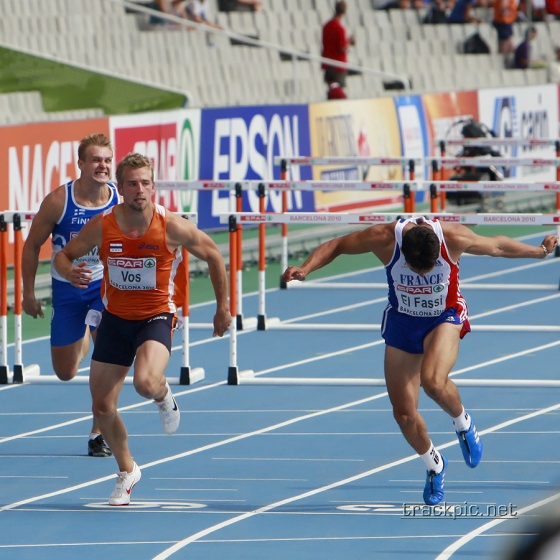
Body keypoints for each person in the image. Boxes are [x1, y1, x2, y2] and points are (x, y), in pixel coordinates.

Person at [281, 216, 559, 506]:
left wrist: (539, 251)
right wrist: (306, 268)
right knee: (403, 413)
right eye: (417, 269)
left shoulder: (453, 237)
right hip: (403, 322)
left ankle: (463, 423)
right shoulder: (384, 237)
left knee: (433, 382)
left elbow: (498, 246)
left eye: (429, 269)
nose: (424, 275)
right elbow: (337, 245)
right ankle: (434, 464)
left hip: (444, 317)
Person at [53, 152, 231, 506]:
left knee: (145, 382)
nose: (140, 190)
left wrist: (223, 307)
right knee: (102, 407)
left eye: (146, 183)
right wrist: (67, 270)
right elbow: (63, 254)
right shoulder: (104, 225)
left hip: (156, 316)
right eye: (132, 184)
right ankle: (127, 470)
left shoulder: (171, 226)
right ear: (120, 188)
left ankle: (163, 395)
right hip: (115, 317)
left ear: (154, 186)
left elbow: (213, 254)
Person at [22, 133, 119, 458]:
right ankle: (80, 341)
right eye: (95, 160)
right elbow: (32, 246)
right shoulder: (58, 201)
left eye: (107, 160)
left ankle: (98, 432)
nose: (102, 166)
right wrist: (28, 294)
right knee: (65, 372)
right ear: (80, 164)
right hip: (66, 289)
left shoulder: (119, 201)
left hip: (105, 288)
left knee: (108, 360)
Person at [321, 1, 355, 93]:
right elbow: (342, 48)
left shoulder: (326, 26)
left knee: (331, 91)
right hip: (338, 65)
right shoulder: (339, 29)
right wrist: (350, 42)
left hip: (328, 63)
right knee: (338, 91)